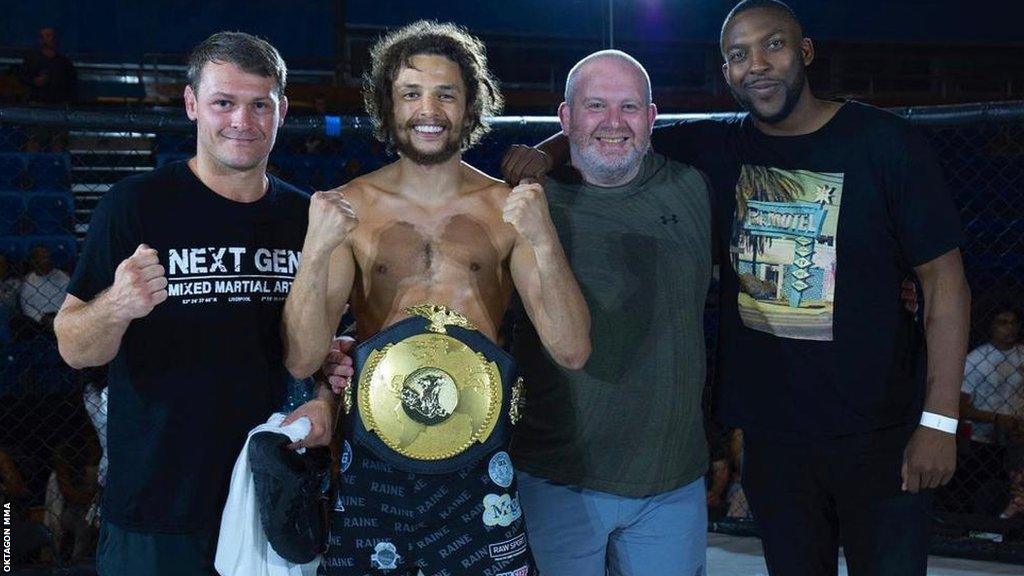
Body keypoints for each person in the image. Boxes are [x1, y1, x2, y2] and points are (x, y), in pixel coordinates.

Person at [504, 2, 971, 574]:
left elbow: (944, 283)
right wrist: (543, 153)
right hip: (775, 443)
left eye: (772, 46)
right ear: (726, 73)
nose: (758, 65)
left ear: (804, 51)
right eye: (738, 55)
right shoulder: (716, 149)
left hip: (882, 435)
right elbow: (610, 134)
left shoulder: (886, 144)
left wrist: (939, 421)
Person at [284, 20, 590, 576]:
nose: (430, 109)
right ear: (388, 105)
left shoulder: (509, 209)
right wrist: (314, 248)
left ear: (471, 106)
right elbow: (303, 358)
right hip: (372, 457)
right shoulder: (350, 208)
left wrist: (543, 239)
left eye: (446, 93)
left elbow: (572, 350)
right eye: (411, 94)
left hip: (480, 454)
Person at [53, 31, 336, 576]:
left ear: (282, 110)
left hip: (270, 497)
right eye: (223, 103)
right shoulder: (134, 205)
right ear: (191, 105)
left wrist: (325, 399)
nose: (242, 122)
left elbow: (331, 349)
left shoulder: (307, 220)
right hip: (155, 506)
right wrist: (116, 305)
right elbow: (73, 346)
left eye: (260, 105)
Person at [508, 51, 711, 576]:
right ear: (566, 116)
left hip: (673, 486)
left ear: (653, 116)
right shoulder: (525, 205)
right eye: (594, 105)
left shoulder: (694, 187)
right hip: (558, 480)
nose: (614, 122)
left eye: (629, 106)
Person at [954, 304, 1024, 513]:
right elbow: (961, 406)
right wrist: (995, 418)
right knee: (982, 492)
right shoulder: (976, 360)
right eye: (1003, 323)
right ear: (991, 326)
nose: (1009, 328)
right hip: (981, 441)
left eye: (1013, 323)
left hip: (1017, 437)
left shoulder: (1021, 355)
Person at [17, 27, 77, 105]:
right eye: (48, 36)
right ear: (40, 40)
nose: (51, 38)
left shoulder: (64, 62)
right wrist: (34, 82)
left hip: (59, 106)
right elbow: (22, 80)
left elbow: (72, 83)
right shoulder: (31, 60)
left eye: (53, 36)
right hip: (36, 105)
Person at [19, 245, 69, 333]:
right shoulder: (28, 282)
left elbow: (70, 298)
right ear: (34, 261)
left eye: (48, 257)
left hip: (61, 314)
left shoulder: (62, 276)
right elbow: (26, 307)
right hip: (40, 320)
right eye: (43, 258)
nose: (47, 260)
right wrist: (42, 318)